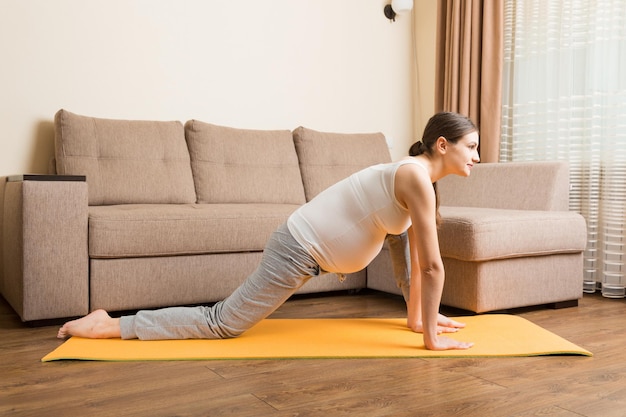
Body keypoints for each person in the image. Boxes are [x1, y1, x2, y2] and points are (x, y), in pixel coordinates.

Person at [58, 111, 479, 351]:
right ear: (442, 145)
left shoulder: (417, 179)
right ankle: (110, 325)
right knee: (223, 322)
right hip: (296, 249)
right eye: (471, 146)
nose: (477, 156)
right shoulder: (416, 179)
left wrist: (416, 317)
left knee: (399, 236)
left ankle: (113, 323)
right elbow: (432, 267)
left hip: (306, 246)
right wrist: (430, 339)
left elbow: (402, 245)